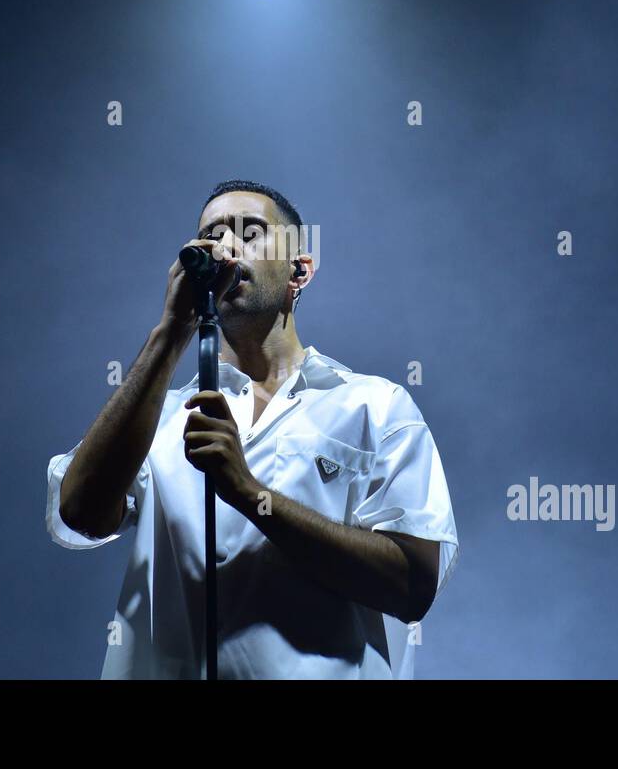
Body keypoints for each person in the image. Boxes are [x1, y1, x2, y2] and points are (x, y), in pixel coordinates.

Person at [47, 179, 458, 678]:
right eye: (211, 235)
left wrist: (247, 492)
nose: (224, 247)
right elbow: (79, 513)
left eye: (249, 232)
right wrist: (171, 330)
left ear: (299, 271)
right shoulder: (158, 418)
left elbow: (413, 585)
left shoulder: (374, 406)